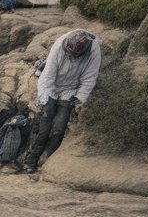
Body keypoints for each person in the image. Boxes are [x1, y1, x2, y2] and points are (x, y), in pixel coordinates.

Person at [21, 29, 101, 173]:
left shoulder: (93, 50)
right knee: (43, 129)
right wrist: (45, 100)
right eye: (68, 53)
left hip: (70, 91)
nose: (70, 56)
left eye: (73, 55)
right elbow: (48, 75)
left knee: (58, 129)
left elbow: (89, 78)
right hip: (52, 87)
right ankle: (30, 160)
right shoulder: (59, 45)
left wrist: (79, 99)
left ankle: (47, 159)